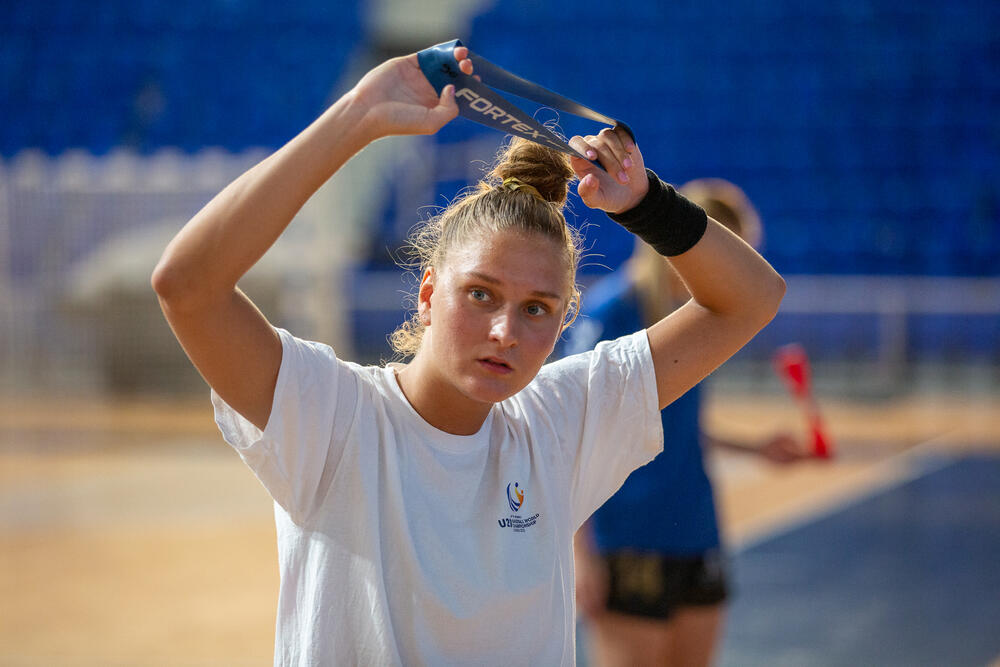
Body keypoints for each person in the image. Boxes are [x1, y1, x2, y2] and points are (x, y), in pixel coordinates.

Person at [151, 45, 785, 665]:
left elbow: (752, 298)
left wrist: (651, 206)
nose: (506, 330)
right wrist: (358, 116)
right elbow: (187, 286)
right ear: (428, 294)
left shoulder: (561, 423)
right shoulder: (332, 415)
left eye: (538, 308)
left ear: (563, 319)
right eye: (480, 293)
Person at [568, 179, 807, 667]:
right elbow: (571, 434)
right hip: (628, 537)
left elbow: (677, 429)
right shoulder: (613, 312)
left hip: (695, 531)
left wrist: (755, 450)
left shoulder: (695, 320)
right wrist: (580, 555)